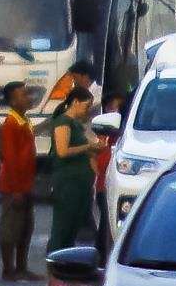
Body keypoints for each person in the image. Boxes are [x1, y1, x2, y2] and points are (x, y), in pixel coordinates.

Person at [45, 87, 100, 262]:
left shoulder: (76, 124)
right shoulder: (63, 122)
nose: (87, 109)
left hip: (80, 182)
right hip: (68, 181)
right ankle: (55, 260)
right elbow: (62, 151)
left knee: (73, 225)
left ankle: (66, 259)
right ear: (75, 102)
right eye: (86, 105)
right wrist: (87, 147)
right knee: (63, 224)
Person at [0, 81, 40, 282]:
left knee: (25, 227)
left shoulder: (24, 120)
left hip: (26, 183)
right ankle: (8, 268)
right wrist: (16, 190)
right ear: (13, 101)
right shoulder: (11, 123)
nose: (28, 98)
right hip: (15, 186)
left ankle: (22, 267)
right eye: (24, 95)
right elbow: (11, 158)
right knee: (10, 228)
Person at [93, 92, 125, 253]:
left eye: (120, 109)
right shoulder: (103, 132)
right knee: (106, 224)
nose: (117, 112)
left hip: (114, 182)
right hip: (103, 184)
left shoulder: (126, 134)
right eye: (114, 108)